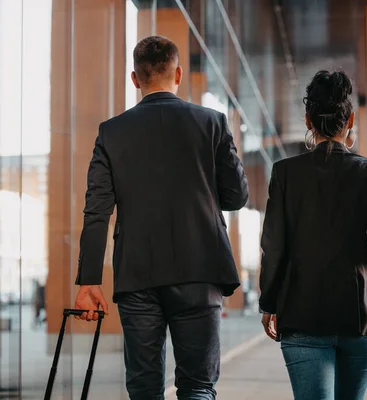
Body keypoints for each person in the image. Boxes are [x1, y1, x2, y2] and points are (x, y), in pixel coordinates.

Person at [73, 36, 248, 399]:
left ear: (135, 79)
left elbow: (97, 210)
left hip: (138, 275)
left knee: (144, 388)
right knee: (198, 386)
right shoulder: (212, 123)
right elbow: (237, 196)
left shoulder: (111, 132)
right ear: (179, 73)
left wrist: (88, 280)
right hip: (201, 271)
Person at [258, 70, 367, 400]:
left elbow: (274, 245)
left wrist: (269, 302)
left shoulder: (285, 174)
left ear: (308, 121)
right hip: (361, 316)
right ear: (350, 119)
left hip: (302, 312)